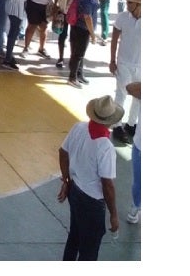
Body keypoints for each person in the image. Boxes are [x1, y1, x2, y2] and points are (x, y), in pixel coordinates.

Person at [58, 95, 122, 260]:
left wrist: (66, 181)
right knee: (89, 250)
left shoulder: (78, 128)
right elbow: (107, 185)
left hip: (74, 191)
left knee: (74, 236)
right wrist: (114, 214)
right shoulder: (105, 147)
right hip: (91, 202)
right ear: (110, 121)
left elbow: (63, 152)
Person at [108, 0, 141, 146]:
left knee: (139, 96)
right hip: (124, 63)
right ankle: (117, 126)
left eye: (130, 2)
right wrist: (112, 60)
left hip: (141, 65)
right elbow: (114, 39)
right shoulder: (122, 17)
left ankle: (131, 124)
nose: (127, 4)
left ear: (139, 5)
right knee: (121, 94)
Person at [65, 0, 99, 88]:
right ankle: (72, 77)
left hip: (75, 26)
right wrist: (92, 34)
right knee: (78, 54)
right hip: (83, 29)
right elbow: (87, 16)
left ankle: (79, 74)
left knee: (77, 52)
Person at [50, 0, 82, 71]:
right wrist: (55, 9)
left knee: (75, 37)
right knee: (62, 35)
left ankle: (73, 58)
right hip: (63, 10)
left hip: (76, 13)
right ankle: (60, 58)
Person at [1, 0, 29, 69]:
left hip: (19, 7)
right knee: (13, 32)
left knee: (15, 31)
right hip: (14, 7)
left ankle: (9, 55)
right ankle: (7, 59)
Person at [125, 80, 142, 225]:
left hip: (140, 145)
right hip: (140, 145)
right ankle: (136, 206)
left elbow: (130, 88)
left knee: (139, 181)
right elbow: (129, 88)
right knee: (139, 181)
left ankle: (135, 207)